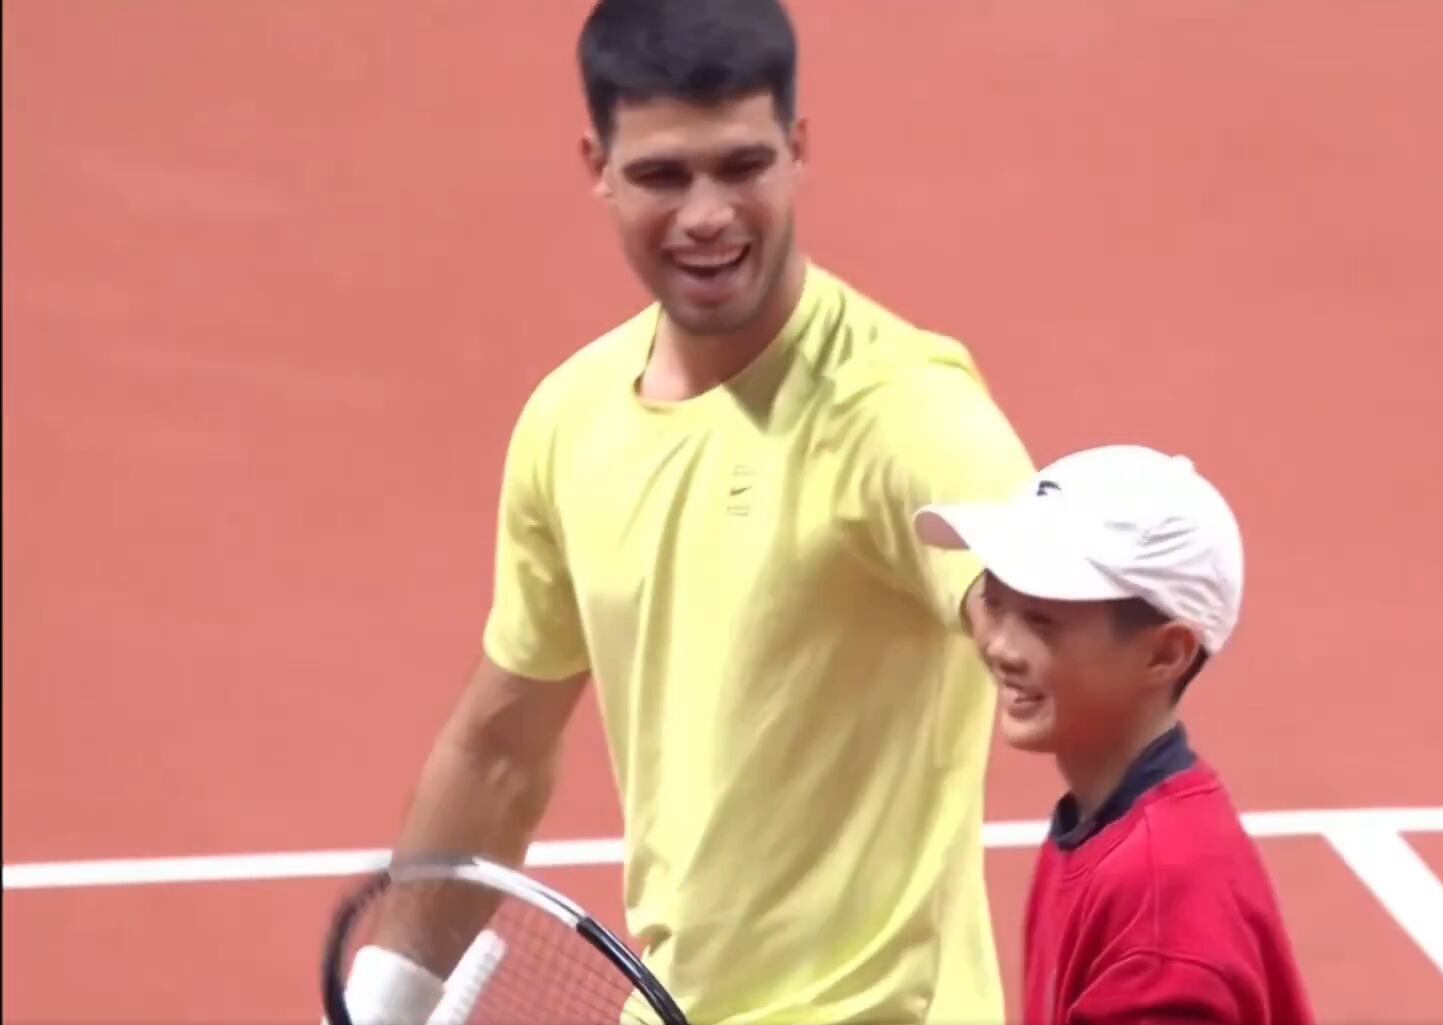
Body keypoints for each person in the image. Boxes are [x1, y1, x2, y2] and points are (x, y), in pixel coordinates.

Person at [338, 0, 1034, 1022]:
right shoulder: (572, 421)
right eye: (664, 175)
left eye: (741, 166)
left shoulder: (905, 414)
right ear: (599, 166)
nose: (707, 214)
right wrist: (384, 1003)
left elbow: (1059, 638)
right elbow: (498, 753)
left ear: (797, 149)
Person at [914, 445, 1317, 1025]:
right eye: (995, 604)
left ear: (1165, 654)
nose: (1001, 646)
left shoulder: (1160, 925)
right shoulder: (1101, 824)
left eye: (1042, 621)